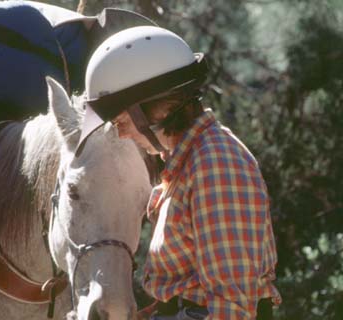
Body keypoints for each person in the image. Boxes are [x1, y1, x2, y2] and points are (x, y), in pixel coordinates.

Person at [77, 26, 281, 320]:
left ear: (155, 110)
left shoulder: (217, 167)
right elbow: (193, 285)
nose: (121, 135)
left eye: (121, 120)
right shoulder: (190, 162)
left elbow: (234, 307)